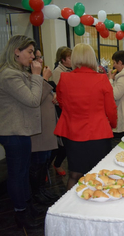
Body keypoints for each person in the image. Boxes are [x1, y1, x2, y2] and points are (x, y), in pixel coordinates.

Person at [54, 43, 117, 190]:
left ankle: (71, 209)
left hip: (72, 132)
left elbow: (62, 104)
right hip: (98, 132)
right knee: (101, 173)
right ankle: (98, 205)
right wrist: (112, 124)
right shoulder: (102, 79)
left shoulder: (64, 78)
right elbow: (111, 109)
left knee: (74, 174)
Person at [0, 35, 43, 228]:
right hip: (13, 132)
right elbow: (33, 100)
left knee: (24, 171)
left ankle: (27, 205)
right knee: (17, 173)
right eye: (30, 52)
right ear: (16, 51)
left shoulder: (18, 72)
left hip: (21, 131)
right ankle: (20, 212)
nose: (33, 56)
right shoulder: (9, 74)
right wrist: (37, 76)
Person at [29, 49, 58, 205]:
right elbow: (34, 100)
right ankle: (36, 193)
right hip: (38, 129)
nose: (39, 60)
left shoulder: (38, 78)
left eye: (40, 57)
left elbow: (45, 96)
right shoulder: (30, 78)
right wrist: (45, 80)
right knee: (38, 162)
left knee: (45, 160)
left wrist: (54, 96)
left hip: (47, 127)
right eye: (35, 57)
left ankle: (42, 189)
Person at [50, 46, 72, 176]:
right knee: (63, 141)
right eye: (69, 57)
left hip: (70, 109)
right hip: (61, 109)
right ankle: (56, 164)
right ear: (63, 59)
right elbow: (61, 92)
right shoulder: (58, 71)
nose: (72, 59)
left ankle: (58, 163)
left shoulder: (72, 69)